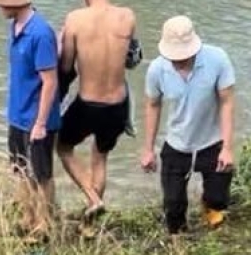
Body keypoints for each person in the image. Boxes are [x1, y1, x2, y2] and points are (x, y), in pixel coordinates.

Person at [141, 15, 236, 235]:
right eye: (174, 57)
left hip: (212, 141)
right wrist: (148, 149)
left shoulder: (217, 59)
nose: (179, 61)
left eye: (184, 56)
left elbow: (227, 102)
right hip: (177, 142)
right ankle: (179, 238)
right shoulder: (157, 69)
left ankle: (209, 207)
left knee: (218, 200)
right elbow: (153, 106)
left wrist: (227, 147)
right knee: (173, 207)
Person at [56, 0, 140, 224]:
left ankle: (93, 199)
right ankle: (90, 225)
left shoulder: (75, 19)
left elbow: (66, 66)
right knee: (100, 157)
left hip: (88, 103)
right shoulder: (127, 16)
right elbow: (133, 59)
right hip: (117, 105)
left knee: (63, 147)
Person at [0, 0, 61, 243]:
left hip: (36, 118)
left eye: (2, 5)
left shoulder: (40, 33)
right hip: (17, 114)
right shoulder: (15, 27)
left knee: (42, 174)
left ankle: (44, 223)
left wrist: (40, 123)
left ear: (16, 6)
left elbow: (50, 81)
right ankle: (28, 216)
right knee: (20, 170)